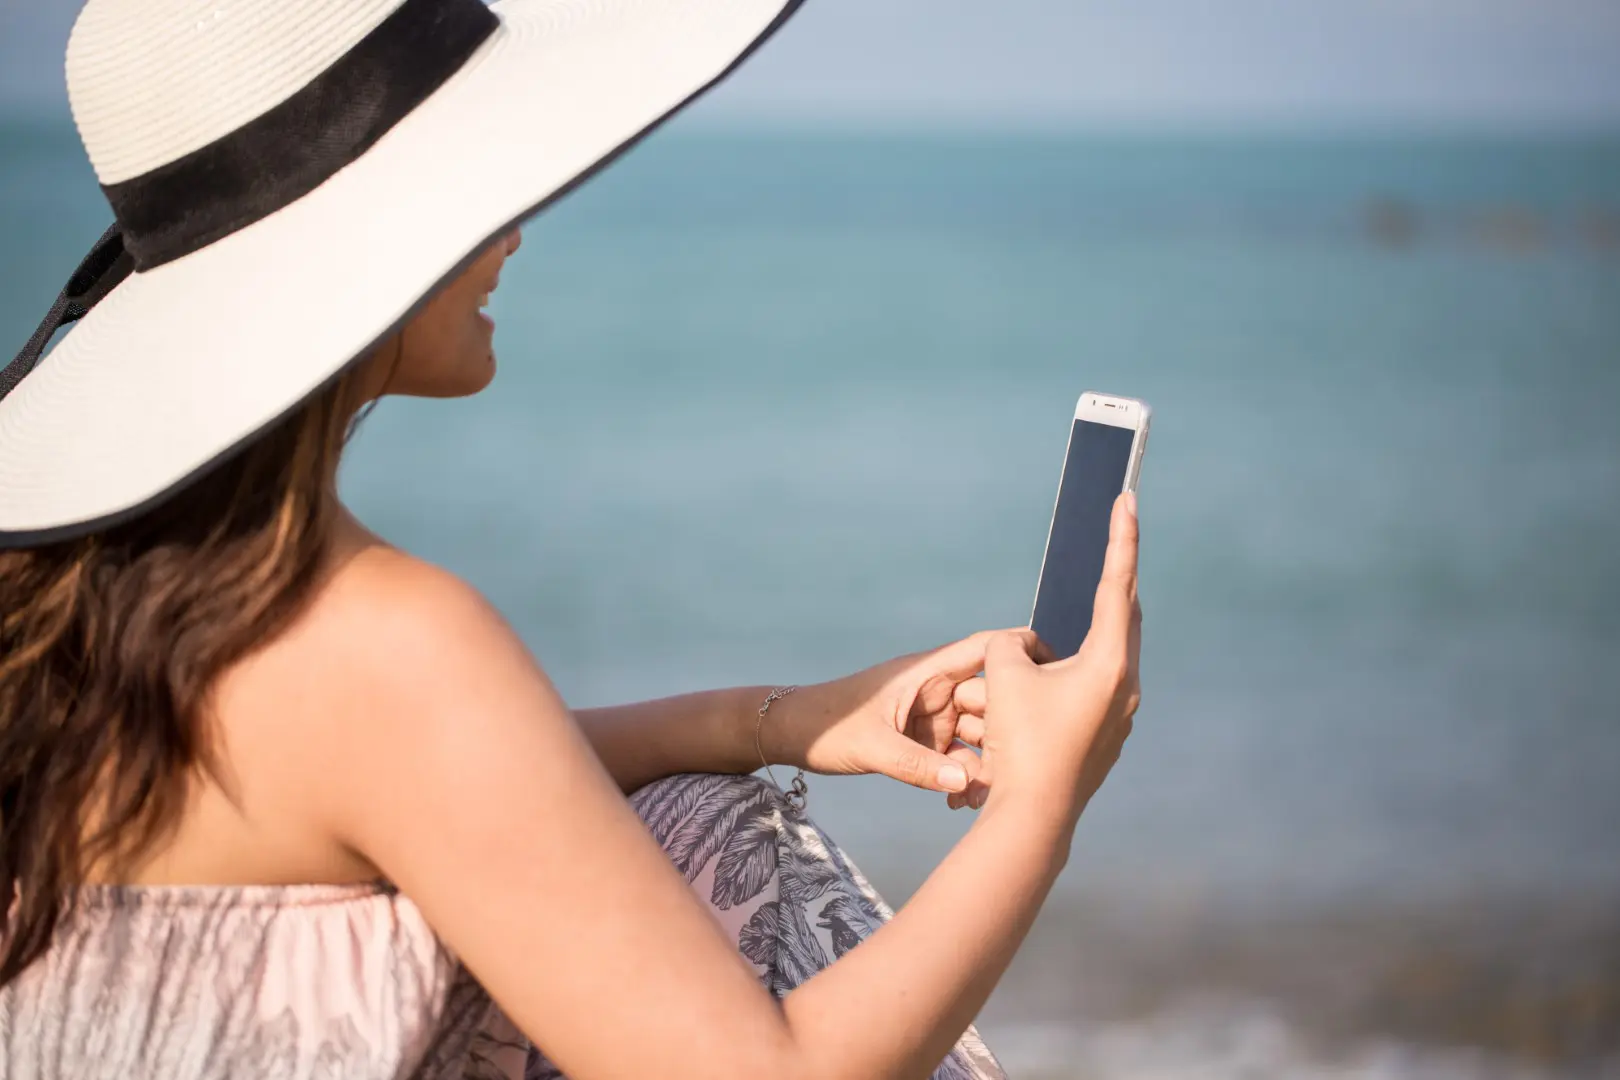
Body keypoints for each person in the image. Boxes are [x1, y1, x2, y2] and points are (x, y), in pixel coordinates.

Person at [0, 0, 1143, 1077]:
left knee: (697, 803)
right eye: (473, 184)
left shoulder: (67, 598)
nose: (515, 228)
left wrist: (782, 721)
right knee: (727, 849)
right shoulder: (376, 642)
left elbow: (434, 785)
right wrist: (1042, 804)